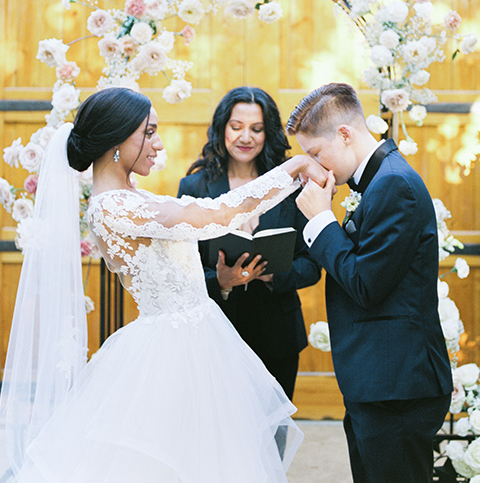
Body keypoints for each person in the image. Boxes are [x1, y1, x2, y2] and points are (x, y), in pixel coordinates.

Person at [1, 86, 328, 483]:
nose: (159, 144)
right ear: (118, 141)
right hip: (174, 352)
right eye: (149, 132)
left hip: (196, 336)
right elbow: (216, 213)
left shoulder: (130, 197)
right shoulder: (116, 207)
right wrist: (293, 169)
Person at [286, 82, 453, 483]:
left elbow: (365, 284)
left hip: (398, 384)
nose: (318, 166)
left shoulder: (393, 184)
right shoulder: (379, 180)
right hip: (380, 380)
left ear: (344, 135)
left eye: (315, 153)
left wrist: (321, 220)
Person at [177, 87, 321, 401]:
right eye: (236, 127)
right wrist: (221, 281)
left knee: (274, 438)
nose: (246, 137)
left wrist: (272, 274)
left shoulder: (292, 186)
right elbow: (179, 268)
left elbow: (312, 266)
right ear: (222, 128)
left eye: (256, 129)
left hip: (277, 334)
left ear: (268, 133)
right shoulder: (194, 186)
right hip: (215, 330)